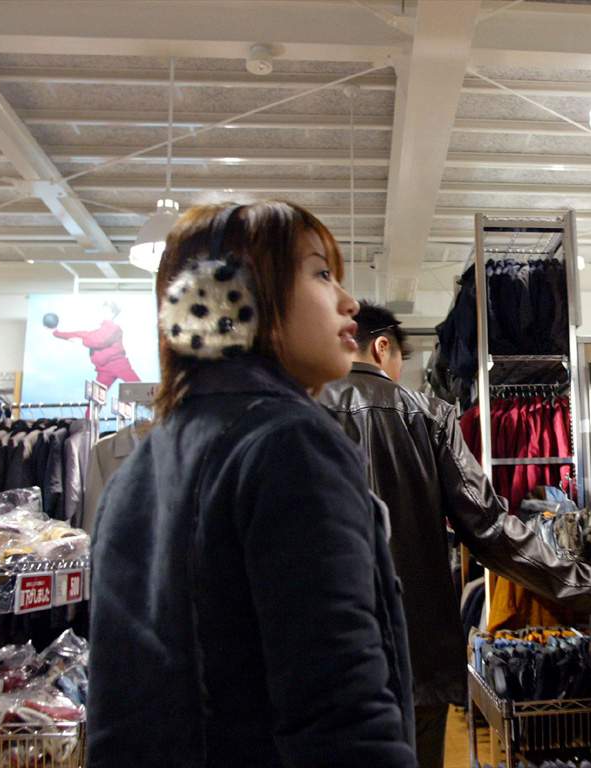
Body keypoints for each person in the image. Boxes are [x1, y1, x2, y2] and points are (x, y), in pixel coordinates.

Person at [88, 203, 417, 767]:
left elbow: (116, 709)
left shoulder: (141, 467)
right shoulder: (291, 443)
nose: (350, 303)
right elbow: (341, 711)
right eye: (321, 273)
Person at [319, 302, 591, 768]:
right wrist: (590, 585)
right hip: (416, 657)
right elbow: (491, 530)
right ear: (382, 346)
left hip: (323, 660)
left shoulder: (299, 414)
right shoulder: (426, 416)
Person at [47, 300, 143, 387]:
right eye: (101, 310)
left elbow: (100, 341)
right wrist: (57, 333)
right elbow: (81, 334)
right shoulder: (98, 331)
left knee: (140, 389)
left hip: (119, 365)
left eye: (105, 310)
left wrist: (82, 341)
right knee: (95, 397)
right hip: (104, 369)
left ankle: (149, 400)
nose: (101, 313)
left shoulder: (115, 328)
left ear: (112, 313)